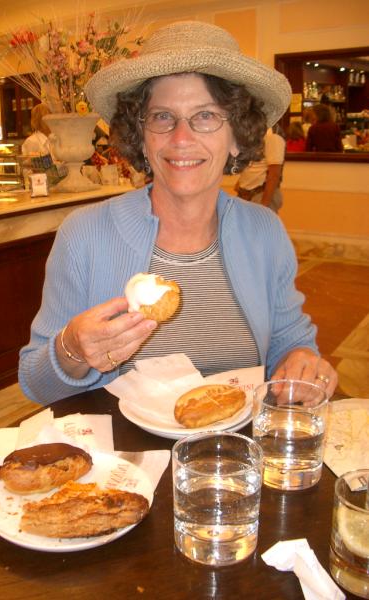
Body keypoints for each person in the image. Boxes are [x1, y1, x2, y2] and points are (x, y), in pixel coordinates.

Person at [18, 21, 337, 405]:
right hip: (122, 445)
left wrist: (302, 360)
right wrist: (71, 349)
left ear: (237, 137)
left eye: (206, 116)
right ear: (141, 137)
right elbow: (36, 384)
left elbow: (290, 340)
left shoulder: (264, 230)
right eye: (162, 116)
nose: (182, 138)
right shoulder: (84, 234)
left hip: (235, 441)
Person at [234, 124, 285, 212]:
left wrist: (263, 206)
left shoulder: (272, 135)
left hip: (261, 194)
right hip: (246, 195)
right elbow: (251, 163)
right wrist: (241, 184)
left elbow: (274, 174)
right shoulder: (254, 134)